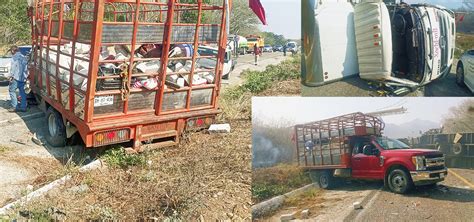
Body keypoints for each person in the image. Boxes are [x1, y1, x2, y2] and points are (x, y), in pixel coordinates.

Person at [8, 46, 29, 112]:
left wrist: (10, 76)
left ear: (12, 51)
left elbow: (13, 68)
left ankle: (14, 106)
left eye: (11, 51)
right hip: (23, 78)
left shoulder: (14, 57)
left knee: (12, 91)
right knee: (22, 93)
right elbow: (27, 68)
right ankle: (23, 107)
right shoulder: (24, 57)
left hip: (16, 78)